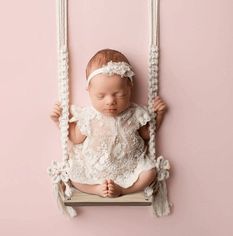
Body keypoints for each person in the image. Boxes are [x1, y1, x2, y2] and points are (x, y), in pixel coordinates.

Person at [51, 49, 167, 198]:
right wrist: (60, 121)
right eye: (100, 96)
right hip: (95, 168)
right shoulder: (89, 116)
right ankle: (96, 190)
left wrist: (160, 114)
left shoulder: (135, 113)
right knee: (72, 174)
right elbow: (75, 137)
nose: (110, 101)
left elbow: (147, 134)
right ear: (89, 91)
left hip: (129, 166)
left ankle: (124, 190)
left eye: (120, 94)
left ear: (129, 89)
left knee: (150, 172)